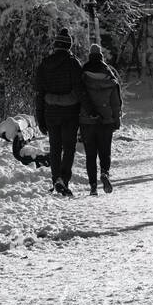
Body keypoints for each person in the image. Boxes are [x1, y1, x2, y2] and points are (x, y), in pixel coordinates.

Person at [33, 27, 94, 198]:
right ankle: (63, 180)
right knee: (68, 147)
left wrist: (40, 117)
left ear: (55, 46)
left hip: (50, 113)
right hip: (70, 113)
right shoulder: (73, 64)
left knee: (54, 147)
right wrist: (90, 110)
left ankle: (55, 179)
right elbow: (80, 90)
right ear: (68, 46)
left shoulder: (44, 65)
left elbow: (39, 93)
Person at [79, 43, 122, 196]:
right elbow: (115, 102)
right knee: (105, 152)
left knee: (90, 154)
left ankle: (92, 186)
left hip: (87, 120)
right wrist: (116, 119)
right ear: (101, 57)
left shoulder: (83, 75)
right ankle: (105, 173)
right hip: (106, 120)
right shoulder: (109, 74)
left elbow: (79, 98)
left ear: (90, 57)